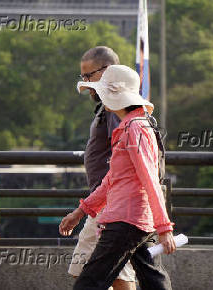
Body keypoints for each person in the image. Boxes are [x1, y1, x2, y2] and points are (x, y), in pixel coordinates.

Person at [59, 65, 176, 290]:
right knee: (153, 280)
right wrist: (80, 212)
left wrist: (165, 228)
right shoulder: (131, 126)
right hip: (138, 220)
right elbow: (111, 181)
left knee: (89, 283)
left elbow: (149, 179)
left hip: (126, 220)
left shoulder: (134, 128)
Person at [67, 47, 137, 290]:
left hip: (113, 205)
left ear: (107, 72)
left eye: (88, 76)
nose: (85, 83)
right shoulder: (107, 108)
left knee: (113, 272)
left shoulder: (117, 111)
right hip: (107, 202)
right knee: (101, 270)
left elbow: (123, 165)